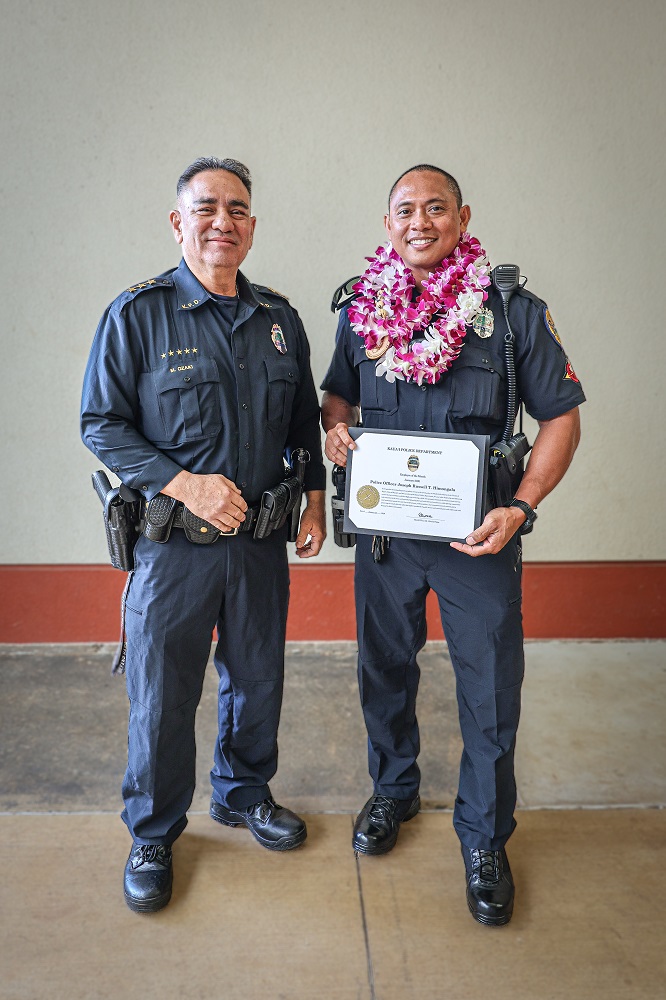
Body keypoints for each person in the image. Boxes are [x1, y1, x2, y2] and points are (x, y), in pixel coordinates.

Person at [321, 164, 584, 926]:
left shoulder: (510, 313)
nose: (420, 222)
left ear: (463, 217)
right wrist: (337, 428)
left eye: (437, 208)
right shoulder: (360, 310)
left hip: (481, 535)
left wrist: (523, 509)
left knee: (490, 691)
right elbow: (337, 392)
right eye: (406, 209)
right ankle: (394, 792)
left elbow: (562, 417)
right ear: (387, 222)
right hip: (386, 541)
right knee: (384, 672)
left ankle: (483, 838)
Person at [81, 157, 326, 913]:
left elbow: (303, 427)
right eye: (208, 207)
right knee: (164, 693)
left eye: (239, 209)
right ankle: (153, 831)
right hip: (175, 547)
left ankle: (244, 792)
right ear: (178, 221)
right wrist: (184, 482)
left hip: (258, 544)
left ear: (252, 226)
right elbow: (101, 423)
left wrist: (314, 500)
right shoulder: (138, 314)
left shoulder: (279, 320)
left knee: (258, 679)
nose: (224, 221)